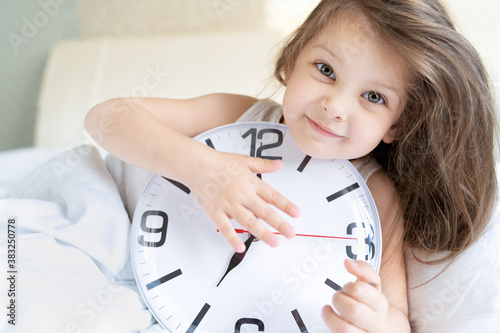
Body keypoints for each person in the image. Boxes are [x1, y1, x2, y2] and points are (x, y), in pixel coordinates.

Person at [84, 0, 497, 331]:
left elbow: (396, 318)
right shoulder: (242, 117)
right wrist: (202, 168)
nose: (334, 106)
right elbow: (104, 118)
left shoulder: (377, 197)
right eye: (325, 70)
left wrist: (372, 319)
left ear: (397, 125)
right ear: (292, 61)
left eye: (374, 97)